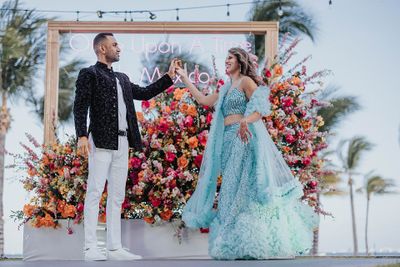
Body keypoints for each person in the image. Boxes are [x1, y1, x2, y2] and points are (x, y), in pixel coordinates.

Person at [178, 47, 318, 260]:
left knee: (240, 187)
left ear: (240, 61)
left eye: (230, 58)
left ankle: (250, 240)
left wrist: (245, 121)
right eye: (225, 59)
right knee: (230, 189)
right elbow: (204, 101)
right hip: (226, 141)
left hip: (242, 139)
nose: (226, 62)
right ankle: (235, 243)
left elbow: (260, 107)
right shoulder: (225, 88)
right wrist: (185, 78)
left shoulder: (245, 82)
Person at [73, 33, 178, 261]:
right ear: (102, 48)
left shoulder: (122, 78)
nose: (118, 48)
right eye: (114, 44)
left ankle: (114, 247)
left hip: (123, 142)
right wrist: (81, 135)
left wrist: (169, 77)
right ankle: (90, 247)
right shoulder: (88, 74)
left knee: (117, 196)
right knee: (94, 192)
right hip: (99, 140)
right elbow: (80, 106)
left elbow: (144, 93)